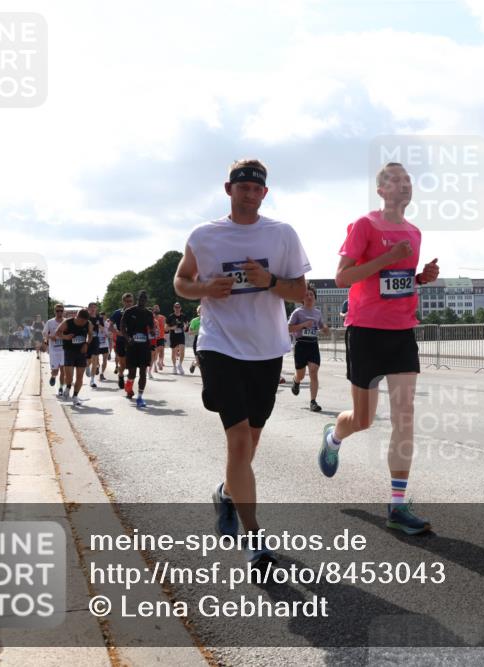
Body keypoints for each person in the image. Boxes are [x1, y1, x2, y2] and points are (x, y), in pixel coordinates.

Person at [174, 158, 310, 568]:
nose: (249, 193)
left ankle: (227, 492)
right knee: (237, 441)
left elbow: (300, 291)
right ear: (228, 189)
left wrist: (269, 282)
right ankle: (254, 537)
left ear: (264, 193)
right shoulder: (204, 235)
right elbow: (181, 281)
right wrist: (204, 288)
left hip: (266, 349)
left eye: (256, 188)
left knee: (250, 442)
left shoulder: (282, 234)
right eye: (242, 186)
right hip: (219, 346)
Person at [317, 162, 440, 535]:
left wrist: (420, 278)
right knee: (363, 419)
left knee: (405, 416)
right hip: (366, 331)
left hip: (402, 331)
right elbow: (343, 276)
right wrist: (387, 257)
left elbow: (396, 281)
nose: (404, 184)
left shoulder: (414, 232)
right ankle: (334, 437)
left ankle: (397, 505)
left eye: (408, 180)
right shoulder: (365, 225)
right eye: (395, 180)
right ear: (381, 190)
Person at [289, 287, 330, 412]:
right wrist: (303, 325)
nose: (309, 297)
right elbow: (288, 328)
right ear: (303, 298)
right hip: (301, 345)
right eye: (307, 295)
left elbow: (321, 325)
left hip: (313, 345)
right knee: (301, 375)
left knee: (313, 372)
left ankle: (313, 402)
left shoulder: (317, 313)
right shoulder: (297, 312)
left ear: (315, 298)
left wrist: (325, 328)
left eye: (311, 294)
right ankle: (296, 381)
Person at [122, 291, 155, 408]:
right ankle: (128, 385)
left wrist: (152, 332)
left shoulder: (149, 313)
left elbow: (151, 328)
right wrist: (128, 338)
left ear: (146, 300)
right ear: (137, 299)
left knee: (143, 372)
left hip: (144, 346)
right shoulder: (129, 311)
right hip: (132, 346)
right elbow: (122, 328)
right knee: (132, 373)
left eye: (144, 299)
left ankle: (140, 397)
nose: (142, 300)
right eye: (141, 298)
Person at [57, 308, 93, 406]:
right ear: (77, 317)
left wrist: (86, 344)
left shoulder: (88, 323)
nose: (82, 323)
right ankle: (68, 387)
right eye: (81, 321)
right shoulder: (67, 322)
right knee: (69, 377)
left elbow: (90, 335)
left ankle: (75, 396)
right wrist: (66, 337)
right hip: (69, 351)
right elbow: (57, 332)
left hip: (81, 353)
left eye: (84, 321)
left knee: (80, 376)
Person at [110, 293, 133, 390]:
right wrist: (118, 332)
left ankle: (129, 383)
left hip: (132, 341)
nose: (129, 303)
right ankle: (120, 375)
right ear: (123, 302)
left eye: (130, 301)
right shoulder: (117, 313)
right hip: (121, 341)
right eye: (127, 301)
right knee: (123, 364)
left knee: (132, 364)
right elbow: (110, 326)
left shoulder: (135, 312)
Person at [44, 305, 66, 395]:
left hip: (64, 350)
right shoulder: (50, 322)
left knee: (63, 370)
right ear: (55, 311)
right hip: (53, 351)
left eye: (61, 311)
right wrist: (50, 337)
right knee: (55, 371)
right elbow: (44, 333)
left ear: (63, 311)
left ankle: (61, 388)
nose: (59, 312)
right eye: (57, 311)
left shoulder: (66, 322)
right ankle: (53, 376)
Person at [85, 302, 106, 389]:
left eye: (95, 307)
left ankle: (92, 380)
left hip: (95, 340)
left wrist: (99, 324)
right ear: (88, 308)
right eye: (91, 307)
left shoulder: (99, 317)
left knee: (95, 360)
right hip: (87, 340)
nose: (93, 309)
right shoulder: (86, 317)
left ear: (96, 309)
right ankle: (87, 366)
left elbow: (102, 329)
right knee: (88, 360)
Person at [167, 302, 190, 374]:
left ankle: (180, 365)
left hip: (181, 335)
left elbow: (186, 324)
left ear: (180, 308)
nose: (177, 309)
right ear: (173, 308)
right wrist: (172, 327)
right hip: (173, 335)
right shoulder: (170, 316)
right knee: (173, 352)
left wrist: (185, 326)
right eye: (176, 307)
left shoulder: (183, 316)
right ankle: (174, 367)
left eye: (178, 307)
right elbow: (166, 328)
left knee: (182, 350)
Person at [188, 305, 202, 374]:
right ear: (198, 312)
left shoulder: (208, 320)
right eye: (200, 311)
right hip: (197, 342)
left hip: (206, 342)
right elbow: (190, 332)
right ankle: (194, 364)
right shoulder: (194, 321)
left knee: (203, 362)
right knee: (199, 362)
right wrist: (199, 331)